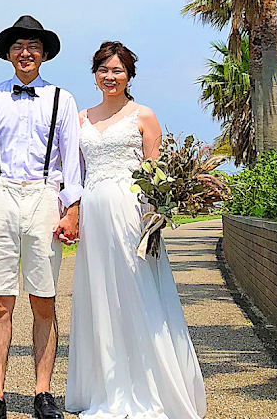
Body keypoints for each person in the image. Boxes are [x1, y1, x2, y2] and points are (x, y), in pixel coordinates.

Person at [65, 41, 206, 419]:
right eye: (103, 70)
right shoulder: (80, 118)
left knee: (134, 291)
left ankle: (148, 386)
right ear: (94, 74)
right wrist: (72, 212)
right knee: (100, 296)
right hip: (94, 213)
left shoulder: (144, 116)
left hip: (130, 213)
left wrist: (154, 218)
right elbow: (74, 174)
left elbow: (155, 173)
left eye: (117, 71)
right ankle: (105, 386)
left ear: (129, 76)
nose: (109, 77)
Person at [0, 15, 82, 419]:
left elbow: (72, 159)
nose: (26, 52)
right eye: (19, 46)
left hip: (46, 195)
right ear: (8, 54)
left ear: (44, 54)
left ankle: (42, 394)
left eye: (33, 46)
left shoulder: (62, 100)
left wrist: (72, 209)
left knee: (43, 300)